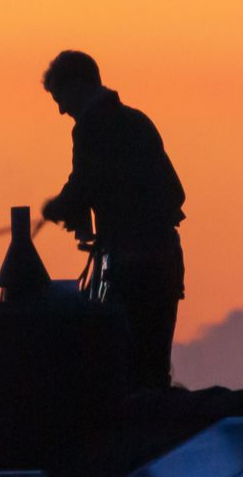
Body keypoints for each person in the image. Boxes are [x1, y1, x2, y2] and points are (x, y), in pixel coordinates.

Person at [39, 50, 186, 390]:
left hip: (129, 266)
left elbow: (83, 184)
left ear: (78, 86)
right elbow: (174, 192)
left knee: (124, 370)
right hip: (165, 258)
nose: (62, 110)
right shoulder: (138, 121)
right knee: (154, 368)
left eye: (61, 99)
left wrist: (57, 207)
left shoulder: (91, 128)